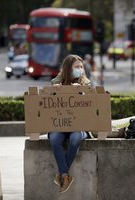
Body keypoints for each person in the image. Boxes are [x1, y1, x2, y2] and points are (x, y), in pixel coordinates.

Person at [49, 54, 90, 193]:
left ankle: (61, 174)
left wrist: (81, 93)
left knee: (75, 140)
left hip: (78, 126)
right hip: (60, 125)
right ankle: (65, 175)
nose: (80, 69)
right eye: (76, 67)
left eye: (81, 67)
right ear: (68, 68)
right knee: (54, 140)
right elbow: (48, 106)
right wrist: (55, 93)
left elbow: (91, 104)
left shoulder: (86, 83)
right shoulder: (56, 83)